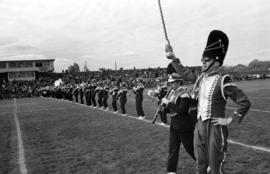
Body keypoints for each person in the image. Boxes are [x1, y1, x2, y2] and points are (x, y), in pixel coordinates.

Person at [190, 30, 251, 174]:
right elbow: (185, 74)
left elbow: (244, 102)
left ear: (216, 62)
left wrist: (230, 119)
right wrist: (173, 58)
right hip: (199, 126)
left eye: (206, 60)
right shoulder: (201, 79)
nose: (203, 63)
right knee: (200, 164)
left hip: (215, 129)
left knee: (216, 167)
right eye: (202, 60)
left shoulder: (223, 81)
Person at [161, 73, 196, 174]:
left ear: (178, 82)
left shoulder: (184, 95)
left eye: (173, 83)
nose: (171, 85)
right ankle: (171, 171)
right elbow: (171, 110)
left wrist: (168, 103)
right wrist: (164, 107)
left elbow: (182, 111)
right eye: (170, 83)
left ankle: (205, 163)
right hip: (174, 126)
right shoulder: (172, 93)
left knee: (191, 149)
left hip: (184, 126)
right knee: (172, 150)